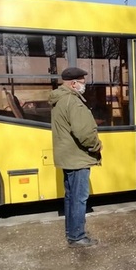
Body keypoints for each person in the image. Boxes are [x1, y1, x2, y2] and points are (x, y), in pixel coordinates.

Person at [48, 67, 102, 248]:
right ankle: (78, 236)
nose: (84, 85)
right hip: (77, 157)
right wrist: (96, 146)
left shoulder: (60, 100)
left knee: (70, 197)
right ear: (73, 83)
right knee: (79, 198)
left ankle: (71, 233)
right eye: (82, 82)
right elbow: (84, 133)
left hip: (67, 157)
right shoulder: (74, 102)